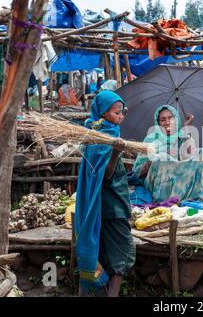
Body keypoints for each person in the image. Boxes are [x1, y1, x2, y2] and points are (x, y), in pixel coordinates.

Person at [74, 90, 135, 297]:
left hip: (101, 204)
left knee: (98, 249)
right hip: (112, 206)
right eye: (116, 112)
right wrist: (117, 152)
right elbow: (107, 174)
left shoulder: (95, 132)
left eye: (122, 112)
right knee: (123, 251)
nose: (121, 116)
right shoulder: (101, 137)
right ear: (102, 113)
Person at [132, 105, 203, 202]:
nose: (167, 122)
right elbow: (138, 171)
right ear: (158, 123)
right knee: (162, 157)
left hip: (182, 181)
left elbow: (191, 154)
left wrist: (186, 127)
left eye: (170, 118)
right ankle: (162, 200)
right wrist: (163, 153)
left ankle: (196, 197)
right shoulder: (151, 139)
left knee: (201, 152)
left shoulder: (182, 136)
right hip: (159, 186)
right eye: (163, 120)